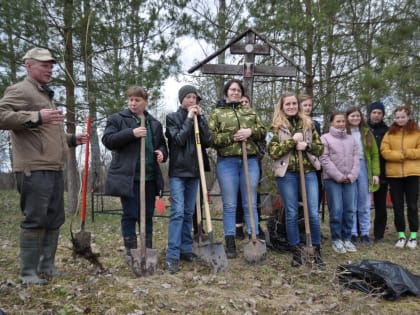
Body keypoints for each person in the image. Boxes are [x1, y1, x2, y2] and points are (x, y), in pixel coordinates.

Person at [0, 47, 88, 285]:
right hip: (32, 168)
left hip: (53, 167)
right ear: (29, 66)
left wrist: (71, 140)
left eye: (51, 65)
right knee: (35, 218)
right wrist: (36, 117)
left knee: (54, 218)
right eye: (44, 65)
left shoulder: (46, 95)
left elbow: (49, 134)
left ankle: (47, 266)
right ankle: (28, 272)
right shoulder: (20, 90)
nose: (50, 69)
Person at [102, 86, 168, 271]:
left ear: (145, 101)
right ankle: (131, 253)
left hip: (148, 178)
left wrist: (162, 153)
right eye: (130, 99)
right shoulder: (118, 119)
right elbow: (108, 140)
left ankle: (146, 251)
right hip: (128, 178)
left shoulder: (153, 123)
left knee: (147, 216)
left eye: (137, 100)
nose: (133, 103)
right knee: (130, 214)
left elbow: (162, 144)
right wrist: (131, 133)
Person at [208, 80, 266, 258]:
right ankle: (230, 241)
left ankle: (253, 238)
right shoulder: (217, 113)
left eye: (238, 90)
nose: (235, 92)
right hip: (227, 162)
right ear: (226, 92)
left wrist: (250, 133)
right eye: (232, 89)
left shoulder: (249, 111)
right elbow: (211, 138)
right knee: (230, 204)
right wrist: (232, 137)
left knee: (250, 202)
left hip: (250, 161)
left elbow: (263, 131)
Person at [267, 91, 323, 267]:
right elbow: (273, 152)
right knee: (291, 212)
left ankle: (315, 248)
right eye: (287, 104)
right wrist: (292, 141)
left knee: (312, 212)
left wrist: (307, 145)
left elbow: (320, 149)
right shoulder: (275, 127)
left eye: (294, 103)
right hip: (287, 174)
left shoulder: (308, 124)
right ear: (282, 107)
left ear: (298, 105)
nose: (291, 107)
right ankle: (296, 250)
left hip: (308, 172)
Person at [165, 85, 212, 273]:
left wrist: (199, 120)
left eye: (195, 98)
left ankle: (185, 249)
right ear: (182, 99)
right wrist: (189, 118)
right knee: (177, 212)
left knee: (188, 212)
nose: (193, 100)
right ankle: (172, 255)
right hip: (178, 172)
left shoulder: (200, 118)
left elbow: (208, 141)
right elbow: (178, 140)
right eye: (189, 97)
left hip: (195, 172)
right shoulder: (172, 118)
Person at [381, 105, 420, 249]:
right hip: (394, 174)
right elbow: (384, 151)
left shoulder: (416, 132)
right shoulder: (389, 134)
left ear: (408, 117)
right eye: (397, 117)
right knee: (397, 206)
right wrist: (398, 156)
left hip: (412, 174)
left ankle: (414, 236)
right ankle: (401, 235)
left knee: (412, 205)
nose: (400, 119)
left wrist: (408, 153)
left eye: (403, 117)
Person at [320, 112, 360, 254]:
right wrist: (338, 176)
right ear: (332, 122)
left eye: (343, 121)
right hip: (332, 180)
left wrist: (352, 175)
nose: (341, 123)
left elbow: (356, 158)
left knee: (349, 210)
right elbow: (324, 159)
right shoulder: (325, 138)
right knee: (336, 210)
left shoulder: (351, 139)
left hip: (350, 180)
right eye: (338, 121)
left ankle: (347, 238)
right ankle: (336, 239)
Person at [346, 107, 380, 246]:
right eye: (352, 116)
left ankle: (365, 233)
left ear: (361, 118)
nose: (355, 118)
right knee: (351, 202)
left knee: (364, 202)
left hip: (364, 167)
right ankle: (353, 233)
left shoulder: (366, 133)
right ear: (347, 117)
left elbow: (374, 154)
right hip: (349, 167)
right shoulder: (344, 133)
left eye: (357, 116)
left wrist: (376, 173)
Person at [235, 95, 265, 241]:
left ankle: (254, 227)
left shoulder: (255, 119)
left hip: (253, 161)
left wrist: (259, 156)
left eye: (246, 102)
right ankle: (238, 226)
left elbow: (263, 139)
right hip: (237, 161)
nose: (244, 104)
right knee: (239, 196)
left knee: (253, 196)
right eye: (241, 102)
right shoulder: (233, 119)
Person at [367, 101, 389, 242]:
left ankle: (379, 234)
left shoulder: (387, 130)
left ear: (382, 115)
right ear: (369, 114)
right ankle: (361, 232)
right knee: (363, 205)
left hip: (382, 172)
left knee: (381, 205)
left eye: (379, 113)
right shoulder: (364, 129)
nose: (376, 115)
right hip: (365, 172)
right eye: (374, 112)